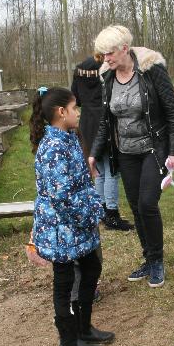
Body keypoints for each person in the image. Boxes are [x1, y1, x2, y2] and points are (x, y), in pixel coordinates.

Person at [89, 25, 174, 288]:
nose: (106, 59)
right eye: (103, 55)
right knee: (134, 207)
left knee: (147, 203)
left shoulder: (151, 71)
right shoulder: (107, 77)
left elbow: (173, 112)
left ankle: (157, 260)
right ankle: (148, 257)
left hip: (154, 149)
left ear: (124, 49)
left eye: (109, 53)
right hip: (125, 152)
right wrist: (93, 154)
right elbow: (105, 120)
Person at [29, 86, 114, 346]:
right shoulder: (53, 147)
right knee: (64, 281)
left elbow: (82, 181)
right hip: (61, 228)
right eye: (75, 108)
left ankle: (84, 327)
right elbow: (61, 196)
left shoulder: (68, 138)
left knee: (91, 268)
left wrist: (92, 206)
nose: (79, 112)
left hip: (77, 224)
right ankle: (68, 341)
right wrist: (90, 213)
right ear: (61, 112)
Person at [71, 55, 132, 232]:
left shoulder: (79, 69)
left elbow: (77, 99)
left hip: (87, 126)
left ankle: (101, 212)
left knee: (98, 171)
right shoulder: (106, 68)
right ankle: (111, 214)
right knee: (111, 170)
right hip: (104, 122)